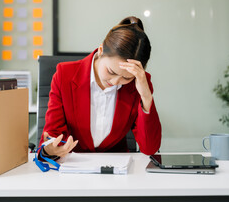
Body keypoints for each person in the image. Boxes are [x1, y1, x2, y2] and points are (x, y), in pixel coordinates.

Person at [39, 16, 161, 160]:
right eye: (111, 72)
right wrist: (51, 148)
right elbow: (51, 137)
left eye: (126, 78)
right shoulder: (64, 75)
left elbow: (150, 148)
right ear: (101, 50)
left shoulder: (140, 83)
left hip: (116, 170)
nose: (116, 82)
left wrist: (146, 96)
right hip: (73, 165)